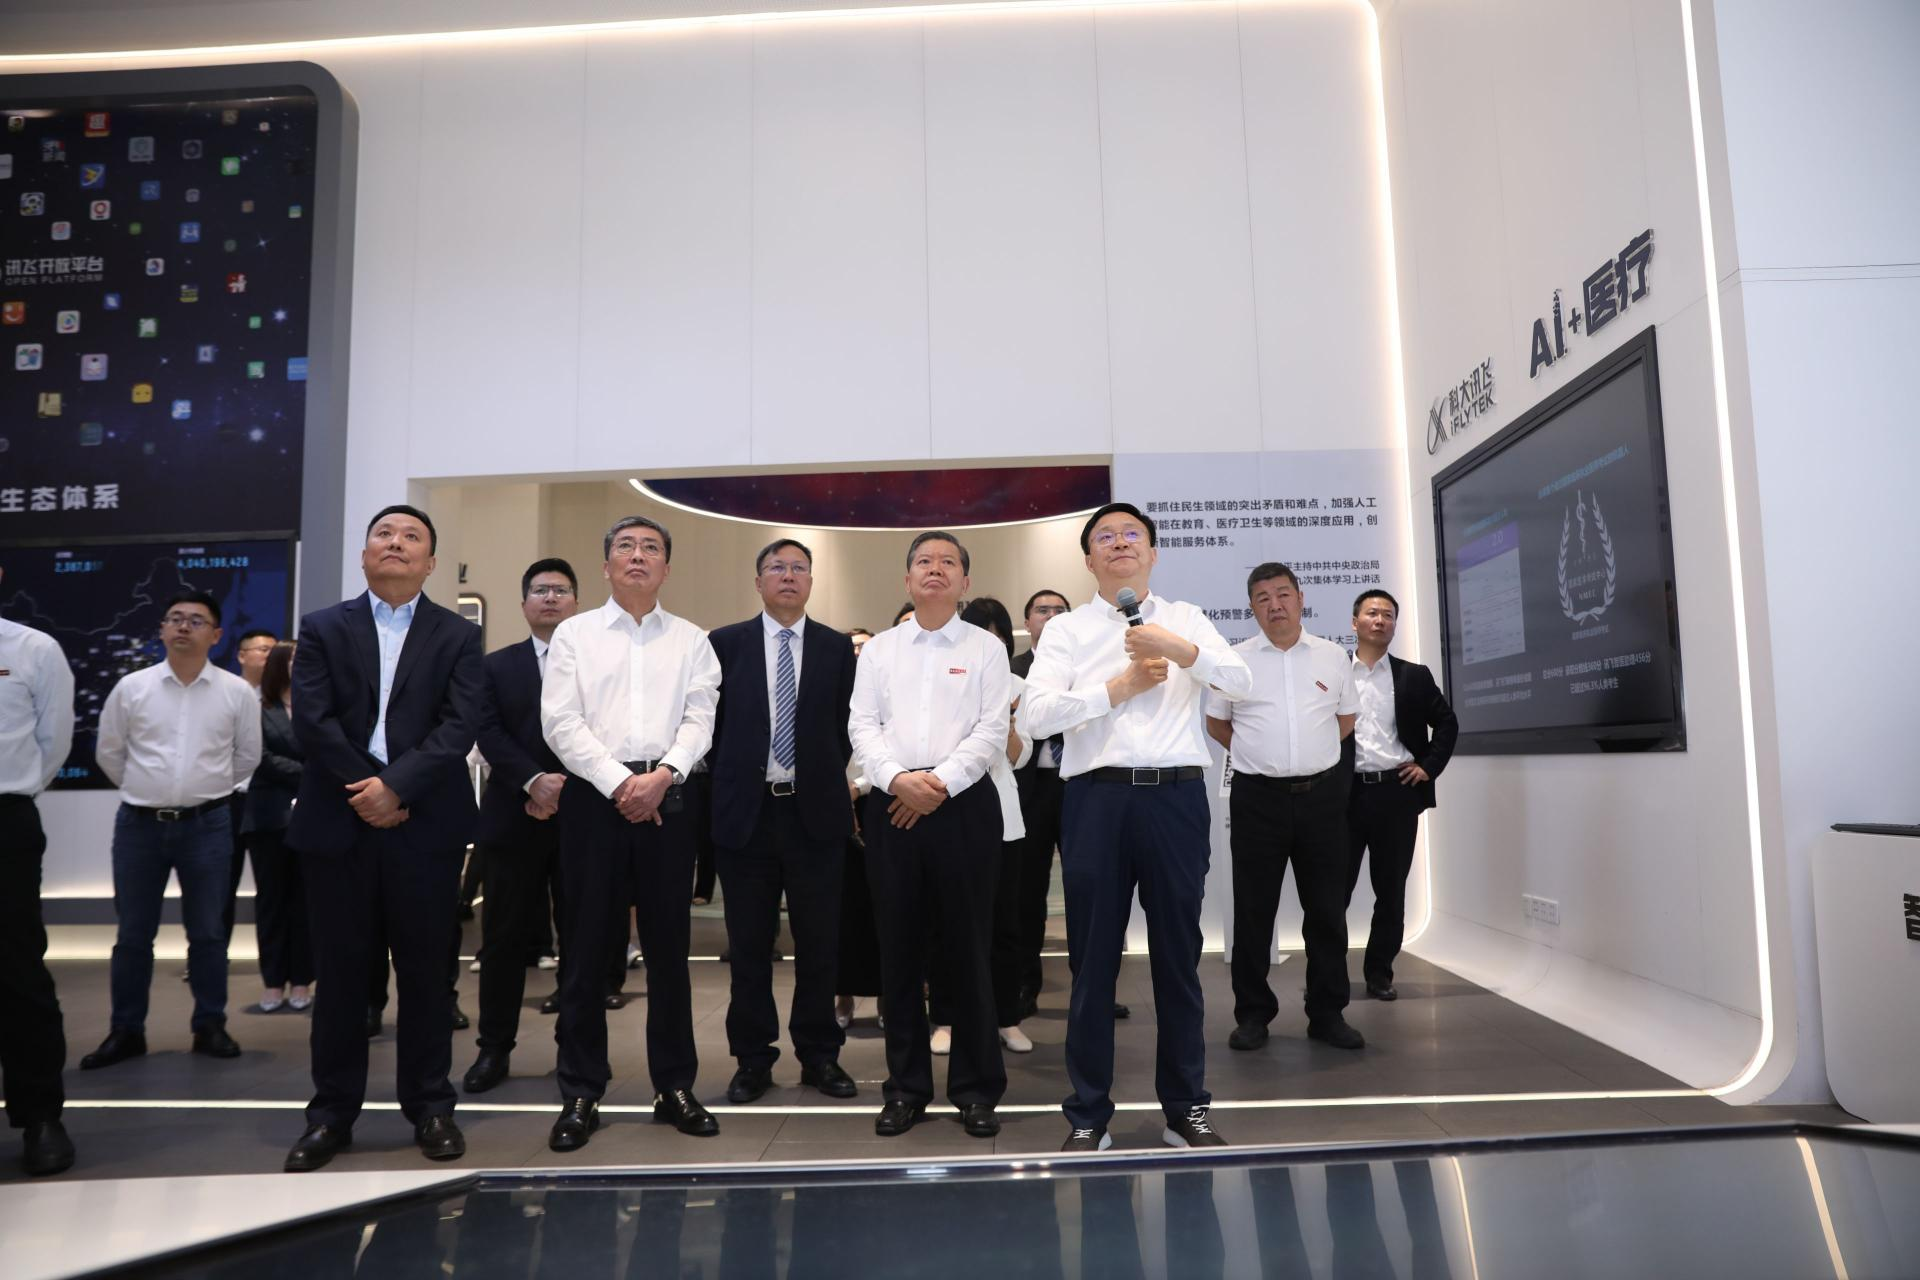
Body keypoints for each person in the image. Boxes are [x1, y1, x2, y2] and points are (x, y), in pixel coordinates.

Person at [1021, 502, 1251, 1153]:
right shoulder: (1066, 630)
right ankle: (1088, 1114)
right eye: (1106, 537)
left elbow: (1241, 681)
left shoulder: (1186, 618)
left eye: (1132, 535)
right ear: (1089, 558)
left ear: (1152, 552)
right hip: (1096, 802)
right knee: (1093, 963)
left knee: (1178, 960)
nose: (1120, 543)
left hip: (1176, 800)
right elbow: (1036, 716)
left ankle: (1186, 1108)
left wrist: (1178, 650)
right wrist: (1116, 689)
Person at [282, 504, 483, 1172]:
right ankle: (330, 1115)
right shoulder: (322, 627)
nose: (396, 543)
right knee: (341, 977)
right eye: (384, 535)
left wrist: (396, 788)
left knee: (427, 977)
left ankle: (431, 1107)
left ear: (430, 562)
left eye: (411, 537)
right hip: (338, 824)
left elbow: (459, 725)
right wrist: (368, 791)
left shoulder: (458, 634)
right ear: (365, 554)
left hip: (424, 827)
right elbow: (312, 720)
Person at [541, 516, 721, 1150]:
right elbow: (561, 723)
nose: (638, 556)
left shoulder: (693, 640)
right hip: (596, 802)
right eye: (625, 547)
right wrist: (623, 784)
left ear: (666, 567)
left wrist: (663, 776)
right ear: (606, 565)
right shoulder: (574, 635)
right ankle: (581, 1090)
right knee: (587, 951)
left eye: (651, 548)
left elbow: (701, 719)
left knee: (670, 951)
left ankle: (675, 1086)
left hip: (670, 800)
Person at [849, 531, 1010, 1140]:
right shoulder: (879, 650)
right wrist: (898, 781)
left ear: (965, 581)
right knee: (898, 951)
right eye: (924, 561)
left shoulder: (986, 649)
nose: (935, 569)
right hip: (892, 808)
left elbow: (990, 731)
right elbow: (862, 726)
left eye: (948, 562)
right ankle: (906, 1088)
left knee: (968, 950)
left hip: (964, 805)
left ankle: (976, 1088)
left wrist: (937, 784)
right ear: (907, 579)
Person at [84, 589, 262, 1071]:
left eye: (196, 620)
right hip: (139, 825)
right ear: (162, 630)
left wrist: (205, 791)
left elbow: (248, 756)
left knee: (208, 932)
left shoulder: (235, 692)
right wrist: (150, 790)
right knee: (133, 934)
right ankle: (126, 1030)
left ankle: (210, 1024)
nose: (183, 626)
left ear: (216, 635)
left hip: (208, 824)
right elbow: (110, 753)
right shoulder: (132, 688)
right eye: (175, 618)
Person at [708, 538, 859, 1104]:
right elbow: (710, 725)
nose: (789, 576)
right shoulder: (724, 645)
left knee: (820, 945)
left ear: (812, 582)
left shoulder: (836, 648)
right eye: (777, 567)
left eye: (799, 568)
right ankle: (753, 1059)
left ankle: (819, 1056)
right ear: (758, 582)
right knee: (749, 947)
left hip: (814, 813)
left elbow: (848, 725)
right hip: (746, 815)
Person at [1204, 563, 1363, 1054]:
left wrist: (1311, 758)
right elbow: (1217, 724)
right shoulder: (1234, 661)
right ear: (1251, 608)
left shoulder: (1333, 656)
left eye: (1282, 594)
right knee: (1254, 912)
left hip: (1323, 799)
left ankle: (1328, 1012)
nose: (1274, 605)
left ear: (1300, 597)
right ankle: (1253, 1014)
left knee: (1327, 910)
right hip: (1258, 800)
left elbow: (1346, 718)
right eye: (1263, 598)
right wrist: (1261, 757)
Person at [463, 559, 579, 1094]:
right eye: (540, 590)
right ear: (524, 603)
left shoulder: (596, 663)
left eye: (560, 590)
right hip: (512, 817)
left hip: (582, 816)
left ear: (576, 602)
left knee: (580, 938)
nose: (550, 598)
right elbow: (486, 730)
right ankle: (494, 1048)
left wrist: (560, 789)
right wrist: (532, 783)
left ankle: (576, 1048)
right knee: (503, 939)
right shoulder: (494, 665)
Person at [0, 569, 78, 1176]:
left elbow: (53, 744)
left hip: (5, 819)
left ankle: (40, 1116)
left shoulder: (32, 648)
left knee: (18, 970)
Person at [1345, 589, 1457, 1001]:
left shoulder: (1414, 675)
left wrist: (1428, 766)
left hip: (1396, 795)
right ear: (1355, 622)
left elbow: (1447, 723)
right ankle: (1326, 977)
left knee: (1390, 892)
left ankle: (1379, 974)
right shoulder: (1334, 672)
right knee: (1331, 893)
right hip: (1343, 796)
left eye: (1388, 615)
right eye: (1372, 613)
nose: (1380, 620)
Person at [955, 596, 1034, 1055]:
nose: (991, 644)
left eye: (999, 637)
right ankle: (947, 1018)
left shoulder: (1019, 685)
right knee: (952, 924)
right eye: (981, 635)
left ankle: (1007, 1018)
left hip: (1004, 818)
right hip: (952, 813)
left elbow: (1021, 758)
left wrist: (1006, 725)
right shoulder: (949, 678)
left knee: (1005, 925)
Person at [1008, 589, 1071, 1018]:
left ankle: (1094, 988)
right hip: (1028, 792)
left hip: (1078, 787)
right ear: (1027, 621)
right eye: (1042, 610)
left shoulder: (1083, 667)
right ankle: (1025, 986)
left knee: (1088, 891)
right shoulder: (1010, 670)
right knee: (1026, 894)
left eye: (1060, 611)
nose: (1050, 616)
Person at [244, 641, 312, 1014]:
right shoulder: (258, 708)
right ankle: (272, 981)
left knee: (306, 900)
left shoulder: (317, 707)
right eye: (295, 659)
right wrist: (310, 775)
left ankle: (302, 978)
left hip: (312, 814)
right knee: (271, 900)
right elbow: (260, 758)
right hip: (268, 817)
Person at [220, 628, 278, 951]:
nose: (270, 655)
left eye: (274, 650)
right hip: (228, 800)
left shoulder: (283, 701)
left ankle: (275, 964)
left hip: (267, 800)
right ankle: (211, 956)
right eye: (263, 649)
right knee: (220, 884)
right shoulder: (224, 694)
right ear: (242, 655)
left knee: (271, 886)